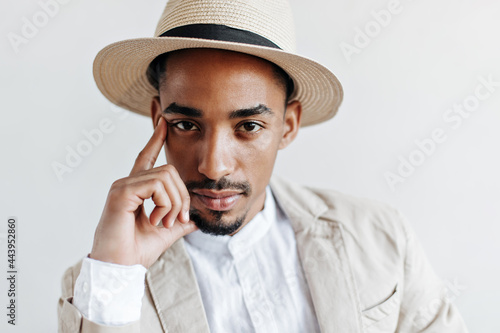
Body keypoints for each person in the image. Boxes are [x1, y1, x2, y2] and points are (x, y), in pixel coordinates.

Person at [58, 0, 468, 332]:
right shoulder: (101, 284)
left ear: (288, 126)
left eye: (249, 126)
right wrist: (116, 274)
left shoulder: (380, 236)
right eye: (186, 124)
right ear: (157, 120)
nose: (214, 166)